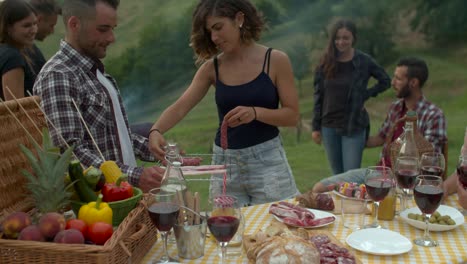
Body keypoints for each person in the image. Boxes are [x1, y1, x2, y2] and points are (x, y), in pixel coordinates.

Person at [149, 0, 300, 206]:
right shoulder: (212, 69)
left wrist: (255, 113)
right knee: (228, 233)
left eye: (218, 27)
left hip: (268, 163)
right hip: (225, 165)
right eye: (209, 31)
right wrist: (156, 130)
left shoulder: (275, 60)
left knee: (278, 228)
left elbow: (292, 116)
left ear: (239, 19)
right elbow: (181, 106)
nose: (214, 37)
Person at [33, 0, 163, 193]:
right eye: (103, 29)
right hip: (95, 209)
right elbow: (69, 154)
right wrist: (136, 175)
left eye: (112, 29)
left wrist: (160, 152)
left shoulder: (95, 73)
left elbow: (115, 135)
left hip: (121, 198)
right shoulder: (59, 75)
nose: (112, 38)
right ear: (74, 24)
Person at [313, 57, 447, 193]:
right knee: (321, 188)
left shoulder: (433, 115)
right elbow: (380, 138)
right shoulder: (396, 107)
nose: (393, 83)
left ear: (413, 82)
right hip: (380, 173)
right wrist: (351, 132)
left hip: (408, 181)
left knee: (347, 196)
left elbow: (430, 161)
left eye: (398, 79)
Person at [311, 19, 390, 175]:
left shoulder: (364, 61)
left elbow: (385, 80)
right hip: (328, 126)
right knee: (337, 175)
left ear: (353, 38)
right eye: (337, 38)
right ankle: (340, 200)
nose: (341, 42)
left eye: (345, 38)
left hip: (353, 125)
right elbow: (318, 96)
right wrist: (315, 127)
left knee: (351, 176)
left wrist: (365, 94)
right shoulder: (325, 61)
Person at [0, 0, 38, 100]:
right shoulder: (12, 57)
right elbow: (16, 109)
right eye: (27, 25)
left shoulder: (4, 52)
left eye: (35, 23)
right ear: (8, 27)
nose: (34, 30)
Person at [27, 0, 61, 76]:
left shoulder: (29, 50)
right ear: (39, 19)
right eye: (51, 25)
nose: (52, 31)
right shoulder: (21, 54)